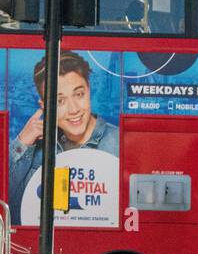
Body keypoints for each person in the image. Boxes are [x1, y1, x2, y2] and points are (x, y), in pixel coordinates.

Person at [8, 52, 119, 224]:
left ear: (89, 91)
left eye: (79, 94)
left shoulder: (117, 143)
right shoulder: (33, 147)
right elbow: (7, 204)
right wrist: (22, 143)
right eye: (60, 101)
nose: (73, 109)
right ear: (44, 106)